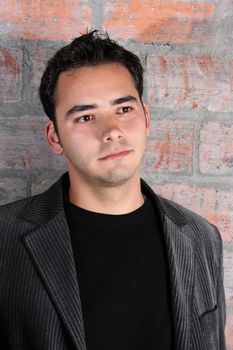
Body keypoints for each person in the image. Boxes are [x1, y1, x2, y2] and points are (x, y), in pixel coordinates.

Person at [0, 30, 226, 350]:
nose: (111, 132)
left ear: (146, 117)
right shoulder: (5, 238)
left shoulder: (201, 238)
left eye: (124, 109)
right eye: (86, 116)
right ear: (54, 137)